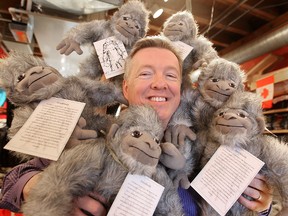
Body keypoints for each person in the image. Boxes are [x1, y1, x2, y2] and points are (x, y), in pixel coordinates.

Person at [0, 36, 276, 216]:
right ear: (126, 88)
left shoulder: (204, 148)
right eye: (146, 73)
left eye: (170, 75)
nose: (159, 83)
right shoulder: (94, 135)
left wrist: (259, 205)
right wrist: (39, 187)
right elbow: (12, 182)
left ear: (180, 90)